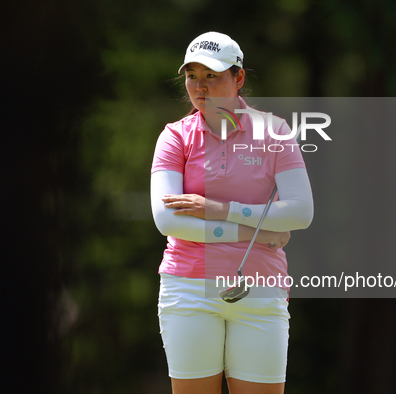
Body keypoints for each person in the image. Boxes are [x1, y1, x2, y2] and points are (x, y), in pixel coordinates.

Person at [150, 31, 313, 394]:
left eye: (212, 75)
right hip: (189, 288)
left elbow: (300, 211)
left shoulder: (275, 132)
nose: (200, 86)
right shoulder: (175, 137)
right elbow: (168, 220)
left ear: (238, 78)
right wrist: (254, 231)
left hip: (260, 288)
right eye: (192, 75)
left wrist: (217, 209)